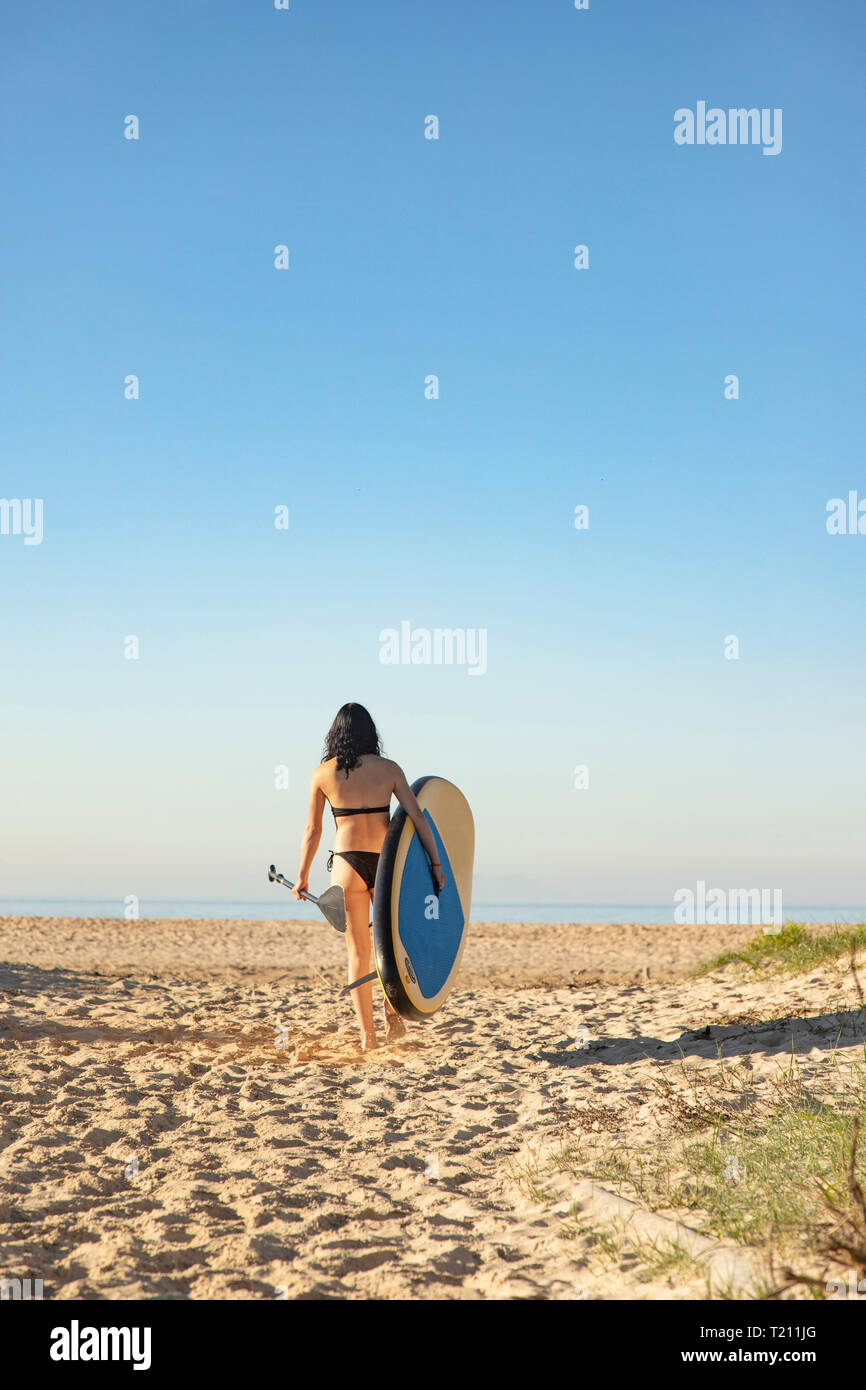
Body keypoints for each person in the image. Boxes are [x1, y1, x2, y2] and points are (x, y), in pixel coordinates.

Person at [292, 703, 446, 1051]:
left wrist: (302, 876)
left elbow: (313, 829)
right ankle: (393, 1012)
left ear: (336, 733)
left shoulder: (322, 774)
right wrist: (437, 866)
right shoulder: (388, 769)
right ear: (370, 732)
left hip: (347, 864)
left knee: (357, 954)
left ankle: (367, 1037)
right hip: (387, 865)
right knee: (391, 947)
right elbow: (418, 818)